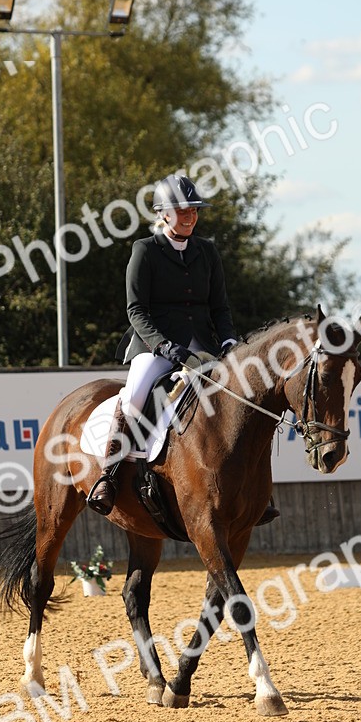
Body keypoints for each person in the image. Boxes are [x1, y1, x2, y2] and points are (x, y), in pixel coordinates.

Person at [86, 173, 279, 527]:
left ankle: (256, 491)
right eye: (182, 211)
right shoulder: (145, 250)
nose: (190, 216)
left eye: (194, 210)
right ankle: (108, 476)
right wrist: (163, 345)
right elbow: (136, 310)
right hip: (155, 345)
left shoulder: (207, 251)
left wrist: (228, 341)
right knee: (134, 395)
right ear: (163, 213)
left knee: (245, 399)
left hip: (206, 346)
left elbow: (219, 307)